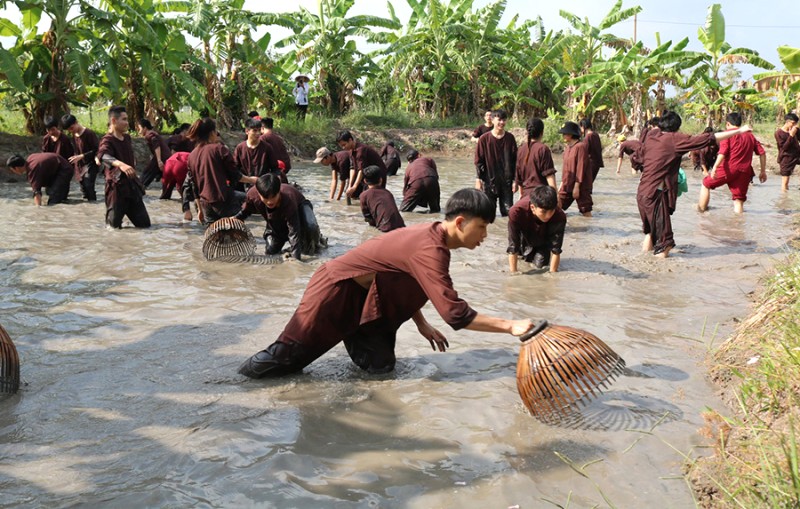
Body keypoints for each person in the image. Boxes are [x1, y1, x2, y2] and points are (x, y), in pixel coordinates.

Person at [237, 188, 535, 379]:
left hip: (367, 299)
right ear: (460, 222)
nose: (484, 236)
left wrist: (421, 324)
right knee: (287, 358)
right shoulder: (431, 248)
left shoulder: (433, 238)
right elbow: (455, 315)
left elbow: (410, 278)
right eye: (481, 227)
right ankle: (234, 380)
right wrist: (510, 326)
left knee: (381, 368)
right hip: (334, 289)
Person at [638, 111, 752, 257]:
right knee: (664, 244)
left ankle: (644, 261)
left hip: (642, 193)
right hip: (655, 195)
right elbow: (709, 138)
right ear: (677, 127)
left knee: (651, 233)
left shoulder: (652, 137)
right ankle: (660, 275)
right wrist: (740, 130)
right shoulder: (674, 139)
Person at [234, 173, 325, 260]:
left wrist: (296, 260)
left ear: (279, 192)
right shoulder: (252, 195)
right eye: (265, 198)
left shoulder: (288, 199)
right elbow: (246, 211)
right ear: (259, 193)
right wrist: (235, 219)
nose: (270, 202)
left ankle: (318, 239)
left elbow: (294, 230)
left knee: (310, 231)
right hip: (276, 220)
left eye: (273, 197)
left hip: (300, 207)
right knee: (271, 252)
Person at [187, 117, 257, 225]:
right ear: (212, 133)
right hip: (223, 199)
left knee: (213, 236)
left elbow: (193, 185)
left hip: (205, 204)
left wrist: (200, 209)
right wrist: (252, 180)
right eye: (216, 132)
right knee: (237, 229)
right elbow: (235, 175)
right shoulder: (219, 149)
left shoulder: (192, 155)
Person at [697, 112, 766, 214]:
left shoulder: (727, 135)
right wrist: (763, 171)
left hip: (728, 169)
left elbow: (722, 153)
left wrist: (715, 167)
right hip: (744, 172)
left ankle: (701, 212)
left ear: (728, 124)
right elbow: (762, 153)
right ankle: (738, 224)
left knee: (706, 184)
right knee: (739, 200)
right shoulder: (750, 136)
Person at [97, 106, 151, 228]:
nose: (127, 123)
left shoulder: (127, 138)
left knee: (145, 226)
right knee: (113, 228)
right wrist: (121, 164)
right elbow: (103, 155)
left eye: (127, 119)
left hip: (132, 187)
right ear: (114, 121)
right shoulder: (107, 140)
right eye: (124, 119)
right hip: (116, 190)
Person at [507, 185, 566, 274]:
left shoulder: (559, 216)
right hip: (525, 233)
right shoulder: (516, 212)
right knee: (521, 255)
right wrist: (513, 273)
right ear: (532, 208)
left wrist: (553, 275)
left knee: (540, 266)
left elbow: (556, 249)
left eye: (551, 211)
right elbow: (513, 245)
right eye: (544, 212)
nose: (548, 216)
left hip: (544, 239)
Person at [474, 109, 517, 217]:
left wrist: (516, 181)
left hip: (506, 183)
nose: (502, 122)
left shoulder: (510, 138)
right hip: (489, 182)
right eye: (499, 119)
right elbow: (479, 161)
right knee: (488, 215)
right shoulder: (484, 139)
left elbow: (515, 161)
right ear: (492, 120)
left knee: (508, 214)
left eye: (504, 120)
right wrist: (478, 179)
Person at [336, 130, 388, 199]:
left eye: (344, 145)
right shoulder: (351, 151)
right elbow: (352, 168)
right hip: (365, 174)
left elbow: (361, 170)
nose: (343, 148)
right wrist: (350, 186)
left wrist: (354, 187)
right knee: (353, 195)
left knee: (372, 197)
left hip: (376, 175)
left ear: (350, 140)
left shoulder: (360, 150)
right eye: (341, 146)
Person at [6, 153, 72, 206]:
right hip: (59, 168)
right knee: (52, 193)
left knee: (53, 201)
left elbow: (37, 192)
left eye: (12, 170)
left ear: (16, 168)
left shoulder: (33, 170)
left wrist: (38, 209)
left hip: (64, 170)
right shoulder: (30, 159)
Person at [514, 117, 556, 199]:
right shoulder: (543, 149)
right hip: (541, 196)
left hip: (526, 195)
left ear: (527, 132)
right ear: (542, 132)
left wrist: (521, 195)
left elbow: (519, 176)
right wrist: (556, 196)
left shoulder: (521, 149)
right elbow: (549, 175)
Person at [61, 113, 100, 201]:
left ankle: (93, 204)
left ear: (76, 122)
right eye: (69, 130)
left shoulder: (89, 133)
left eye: (71, 128)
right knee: (84, 190)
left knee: (89, 186)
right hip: (79, 165)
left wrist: (82, 156)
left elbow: (97, 150)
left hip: (91, 164)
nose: (71, 131)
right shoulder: (74, 135)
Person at [557, 121, 592, 217]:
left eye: (565, 134)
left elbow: (581, 167)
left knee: (585, 209)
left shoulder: (580, 147)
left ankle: (589, 229)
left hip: (580, 185)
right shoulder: (568, 148)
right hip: (567, 184)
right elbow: (565, 168)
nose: (563, 136)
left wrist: (577, 186)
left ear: (571, 134)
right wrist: (561, 184)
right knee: (556, 205)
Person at [359, 165, 405, 232]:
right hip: (402, 228)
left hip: (386, 229)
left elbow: (368, 216)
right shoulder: (388, 193)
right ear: (381, 180)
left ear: (365, 181)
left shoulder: (364, 195)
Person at [234, 118, 280, 184]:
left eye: (259, 130)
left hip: (263, 185)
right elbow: (235, 169)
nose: (258, 133)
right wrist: (248, 180)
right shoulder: (240, 148)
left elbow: (275, 169)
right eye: (255, 131)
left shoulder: (267, 147)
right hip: (245, 184)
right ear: (247, 131)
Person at [137, 118, 172, 188]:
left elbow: (157, 146)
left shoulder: (150, 135)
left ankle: (139, 186)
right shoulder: (153, 133)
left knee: (148, 171)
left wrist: (159, 160)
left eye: (140, 128)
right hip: (164, 156)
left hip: (161, 157)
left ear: (145, 128)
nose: (139, 131)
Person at [160, 151, 193, 221]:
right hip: (182, 164)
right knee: (185, 188)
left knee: (165, 195)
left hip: (169, 163)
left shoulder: (191, 154)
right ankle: (186, 209)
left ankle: (164, 213)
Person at [775, 113, 800, 192]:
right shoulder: (779, 133)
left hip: (797, 155)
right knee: (785, 182)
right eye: (793, 123)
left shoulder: (796, 130)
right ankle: (784, 199)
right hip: (786, 157)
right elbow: (784, 147)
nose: (794, 125)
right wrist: (791, 135)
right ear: (787, 122)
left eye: (795, 123)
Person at [579, 118, 604, 183]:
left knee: (585, 185)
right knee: (589, 184)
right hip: (597, 164)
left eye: (580, 127)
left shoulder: (588, 137)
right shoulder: (596, 135)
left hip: (590, 164)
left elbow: (584, 152)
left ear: (583, 126)